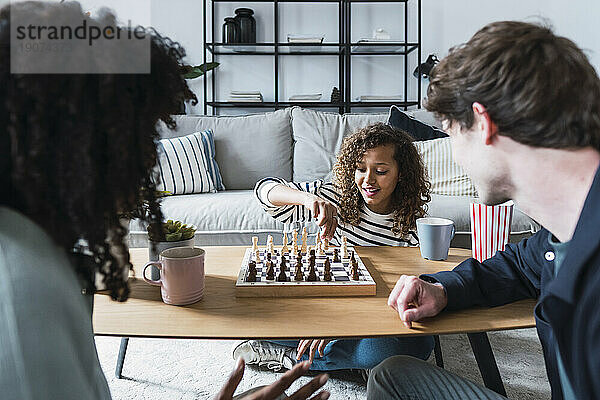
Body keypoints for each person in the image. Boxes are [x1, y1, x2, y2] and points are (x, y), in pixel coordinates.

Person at [0, 3, 328, 400]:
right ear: (71, 143)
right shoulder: (24, 294)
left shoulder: (40, 257)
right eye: (134, 136)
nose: (148, 157)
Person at [368, 21, 600, 400]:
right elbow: (519, 265)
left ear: (483, 123)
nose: (456, 156)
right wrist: (443, 289)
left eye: (449, 133)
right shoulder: (564, 227)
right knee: (393, 376)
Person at [233, 123, 434, 375]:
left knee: (417, 344)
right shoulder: (336, 197)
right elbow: (264, 190)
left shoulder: (412, 226)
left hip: (371, 317)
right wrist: (308, 199)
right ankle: (355, 363)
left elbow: (402, 299)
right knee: (249, 320)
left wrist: (342, 326)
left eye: (380, 171)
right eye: (360, 169)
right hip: (326, 308)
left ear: (401, 173)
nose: (368, 180)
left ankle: (293, 360)